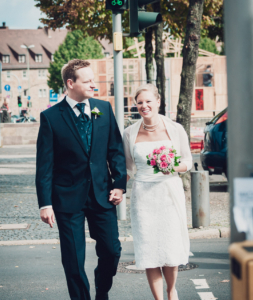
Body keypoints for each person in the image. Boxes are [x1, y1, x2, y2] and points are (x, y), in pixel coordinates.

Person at [36, 59, 127, 300]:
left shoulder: (103, 108)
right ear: (70, 83)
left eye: (93, 80)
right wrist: (45, 204)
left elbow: (115, 150)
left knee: (112, 250)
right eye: (87, 81)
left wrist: (119, 185)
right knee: (73, 260)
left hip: (102, 194)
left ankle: (102, 289)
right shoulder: (51, 117)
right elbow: (45, 165)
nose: (93, 85)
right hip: (67, 199)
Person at [123, 84, 192, 300]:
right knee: (148, 249)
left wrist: (171, 166)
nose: (144, 106)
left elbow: (188, 162)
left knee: (170, 246)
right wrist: (114, 188)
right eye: (140, 102)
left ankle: (171, 292)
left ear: (158, 102)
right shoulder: (129, 133)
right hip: (143, 195)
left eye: (148, 101)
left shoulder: (175, 129)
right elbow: (127, 169)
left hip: (168, 193)